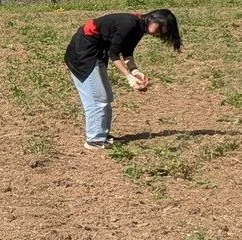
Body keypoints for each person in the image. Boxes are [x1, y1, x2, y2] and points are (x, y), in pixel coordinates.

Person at [64, 8, 182, 151]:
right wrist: (128, 77)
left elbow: (127, 52)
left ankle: (103, 136)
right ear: (152, 18)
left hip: (96, 54)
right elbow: (114, 53)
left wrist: (135, 71)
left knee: (106, 97)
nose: (159, 33)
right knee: (97, 99)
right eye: (160, 27)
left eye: (162, 32)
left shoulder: (139, 28)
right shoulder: (129, 23)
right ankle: (94, 140)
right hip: (82, 55)